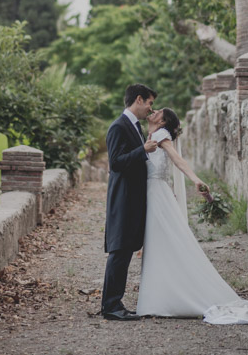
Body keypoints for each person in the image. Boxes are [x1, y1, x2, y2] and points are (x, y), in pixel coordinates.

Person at [136, 108, 248, 325]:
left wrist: (195, 179)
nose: (153, 111)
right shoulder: (149, 137)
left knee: (162, 241)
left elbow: (178, 160)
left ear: (162, 121)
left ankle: (162, 298)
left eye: (158, 111)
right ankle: (162, 293)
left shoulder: (160, 136)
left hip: (157, 194)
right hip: (154, 193)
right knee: (159, 243)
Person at [101, 83, 158, 321]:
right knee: (119, 252)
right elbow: (116, 163)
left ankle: (115, 303)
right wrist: (143, 150)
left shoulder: (135, 126)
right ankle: (111, 306)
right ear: (138, 99)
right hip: (122, 199)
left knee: (124, 251)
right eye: (149, 103)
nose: (150, 109)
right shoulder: (118, 126)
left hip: (133, 199)